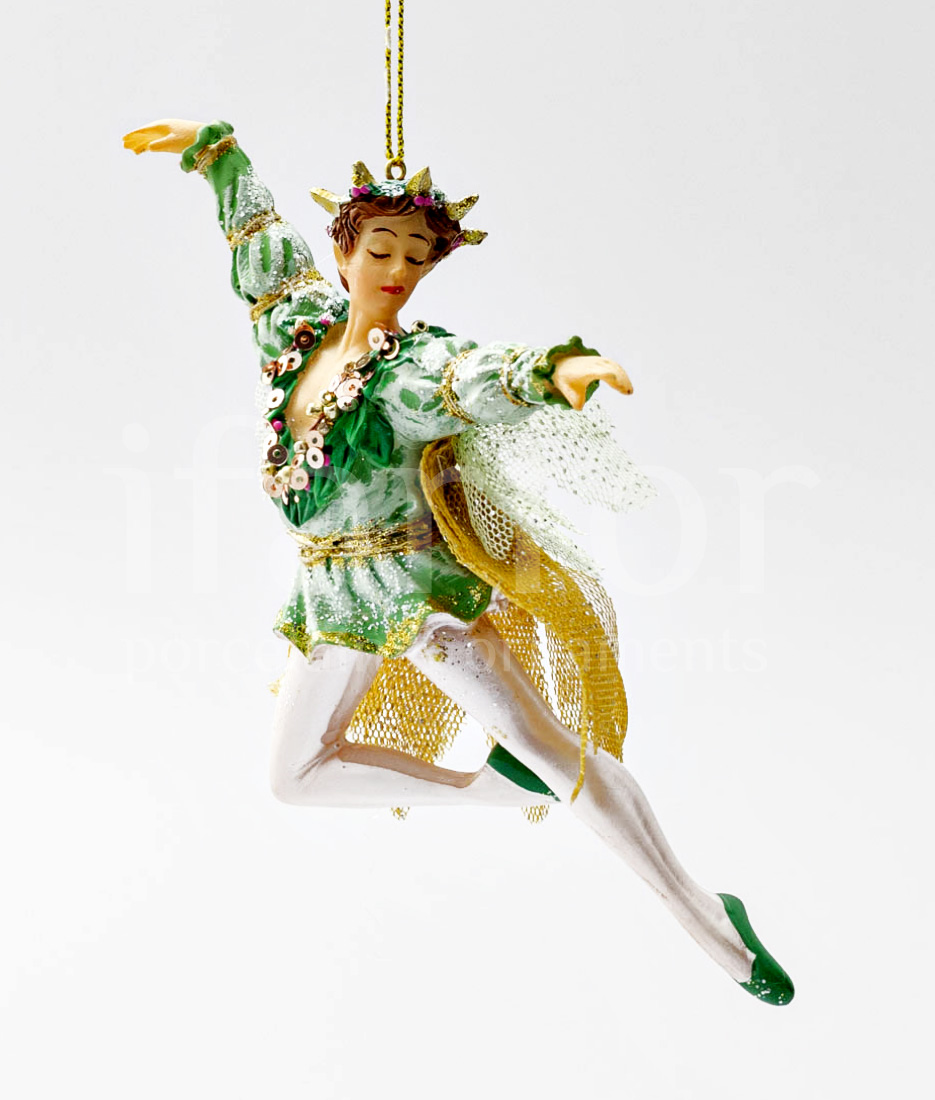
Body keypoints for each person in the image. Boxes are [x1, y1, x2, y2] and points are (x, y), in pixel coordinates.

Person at [123, 118, 793, 1004]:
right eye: (380, 250)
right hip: (332, 597)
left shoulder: (411, 369)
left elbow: (471, 378)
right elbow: (258, 243)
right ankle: (495, 787)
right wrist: (218, 154)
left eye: (417, 258)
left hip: (422, 596)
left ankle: (708, 917)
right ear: (344, 251)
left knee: (555, 752)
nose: (397, 271)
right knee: (295, 777)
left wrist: (549, 373)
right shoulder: (296, 329)